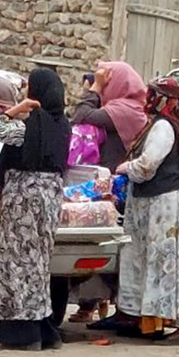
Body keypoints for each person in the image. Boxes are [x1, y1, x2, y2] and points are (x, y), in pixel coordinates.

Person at [115, 79, 179, 346]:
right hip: (163, 204)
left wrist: (126, 169)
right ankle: (156, 319)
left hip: (169, 207)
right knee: (164, 265)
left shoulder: (164, 127)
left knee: (173, 266)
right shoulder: (169, 124)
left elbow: (148, 166)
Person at [0, 68, 71, 351]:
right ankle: (44, 328)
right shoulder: (63, 126)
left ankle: (24, 332)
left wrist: (16, 109)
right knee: (39, 265)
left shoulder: (26, 127)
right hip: (50, 196)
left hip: (23, 198)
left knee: (16, 264)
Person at [69, 61, 150, 324]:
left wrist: (94, 88)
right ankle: (94, 303)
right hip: (106, 186)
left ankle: (104, 305)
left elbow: (81, 114)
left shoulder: (126, 110)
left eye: (108, 80)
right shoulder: (119, 108)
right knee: (94, 243)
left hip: (118, 188)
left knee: (102, 246)